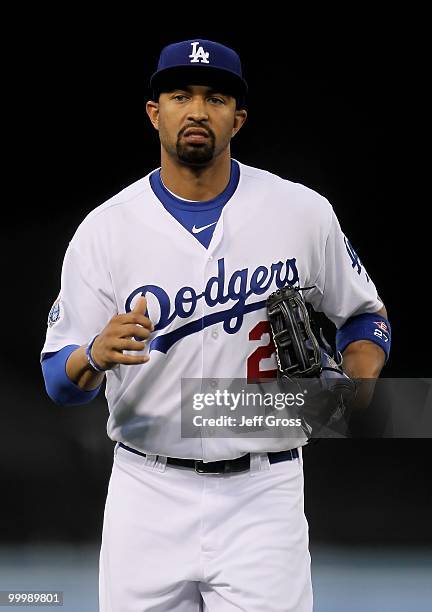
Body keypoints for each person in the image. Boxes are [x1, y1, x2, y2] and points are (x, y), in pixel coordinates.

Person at [41, 39, 391, 612]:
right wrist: (94, 356)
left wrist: (356, 384)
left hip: (264, 492)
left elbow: (365, 317)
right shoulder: (105, 230)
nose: (198, 110)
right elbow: (58, 381)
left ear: (239, 117)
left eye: (216, 97)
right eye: (180, 95)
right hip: (145, 492)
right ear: (156, 113)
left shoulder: (301, 213)